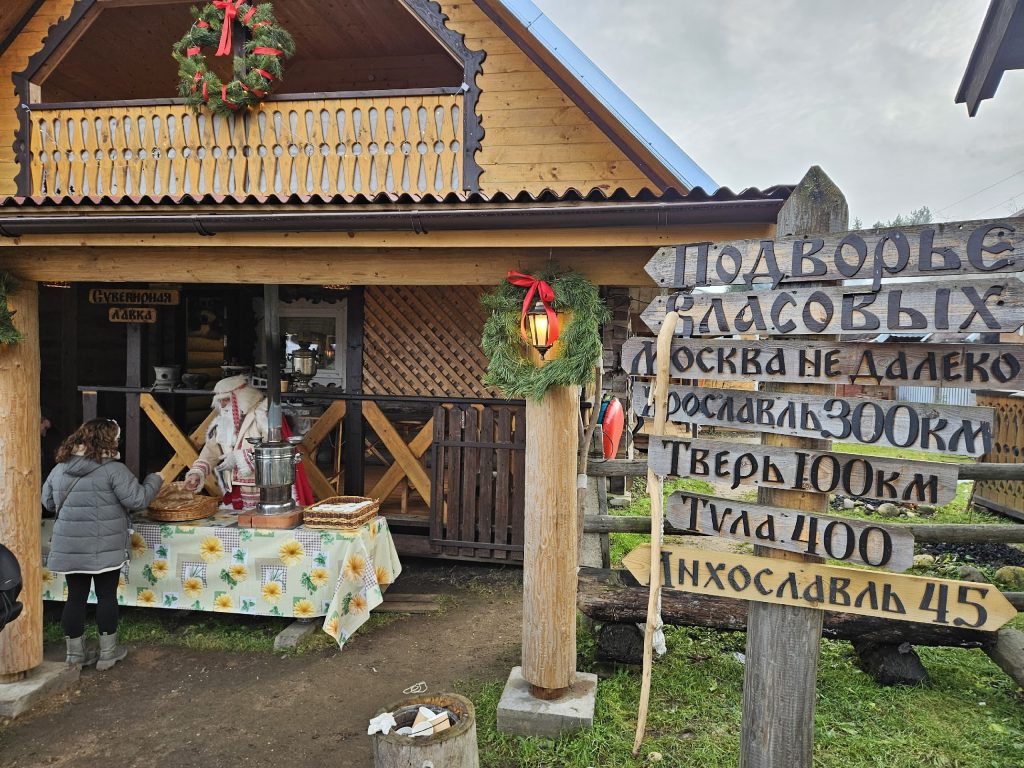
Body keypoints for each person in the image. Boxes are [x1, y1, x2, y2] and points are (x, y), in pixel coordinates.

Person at [42, 418, 163, 669]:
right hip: (105, 545)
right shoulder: (113, 470)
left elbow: (48, 503)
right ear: (109, 440)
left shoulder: (59, 468)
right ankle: (108, 653)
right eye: (117, 438)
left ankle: (75, 655)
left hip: (70, 546)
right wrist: (155, 479)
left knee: (75, 597)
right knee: (106, 596)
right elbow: (137, 500)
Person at [183, 375, 268, 510]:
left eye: (226, 399)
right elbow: (211, 450)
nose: (222, 405)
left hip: (264, 492)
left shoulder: (262, 416)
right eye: (219, 401)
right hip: (235, 493)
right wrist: (197, 473)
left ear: (242, 397)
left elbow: (272, 451)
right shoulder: (225, 421)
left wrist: (239, 458)